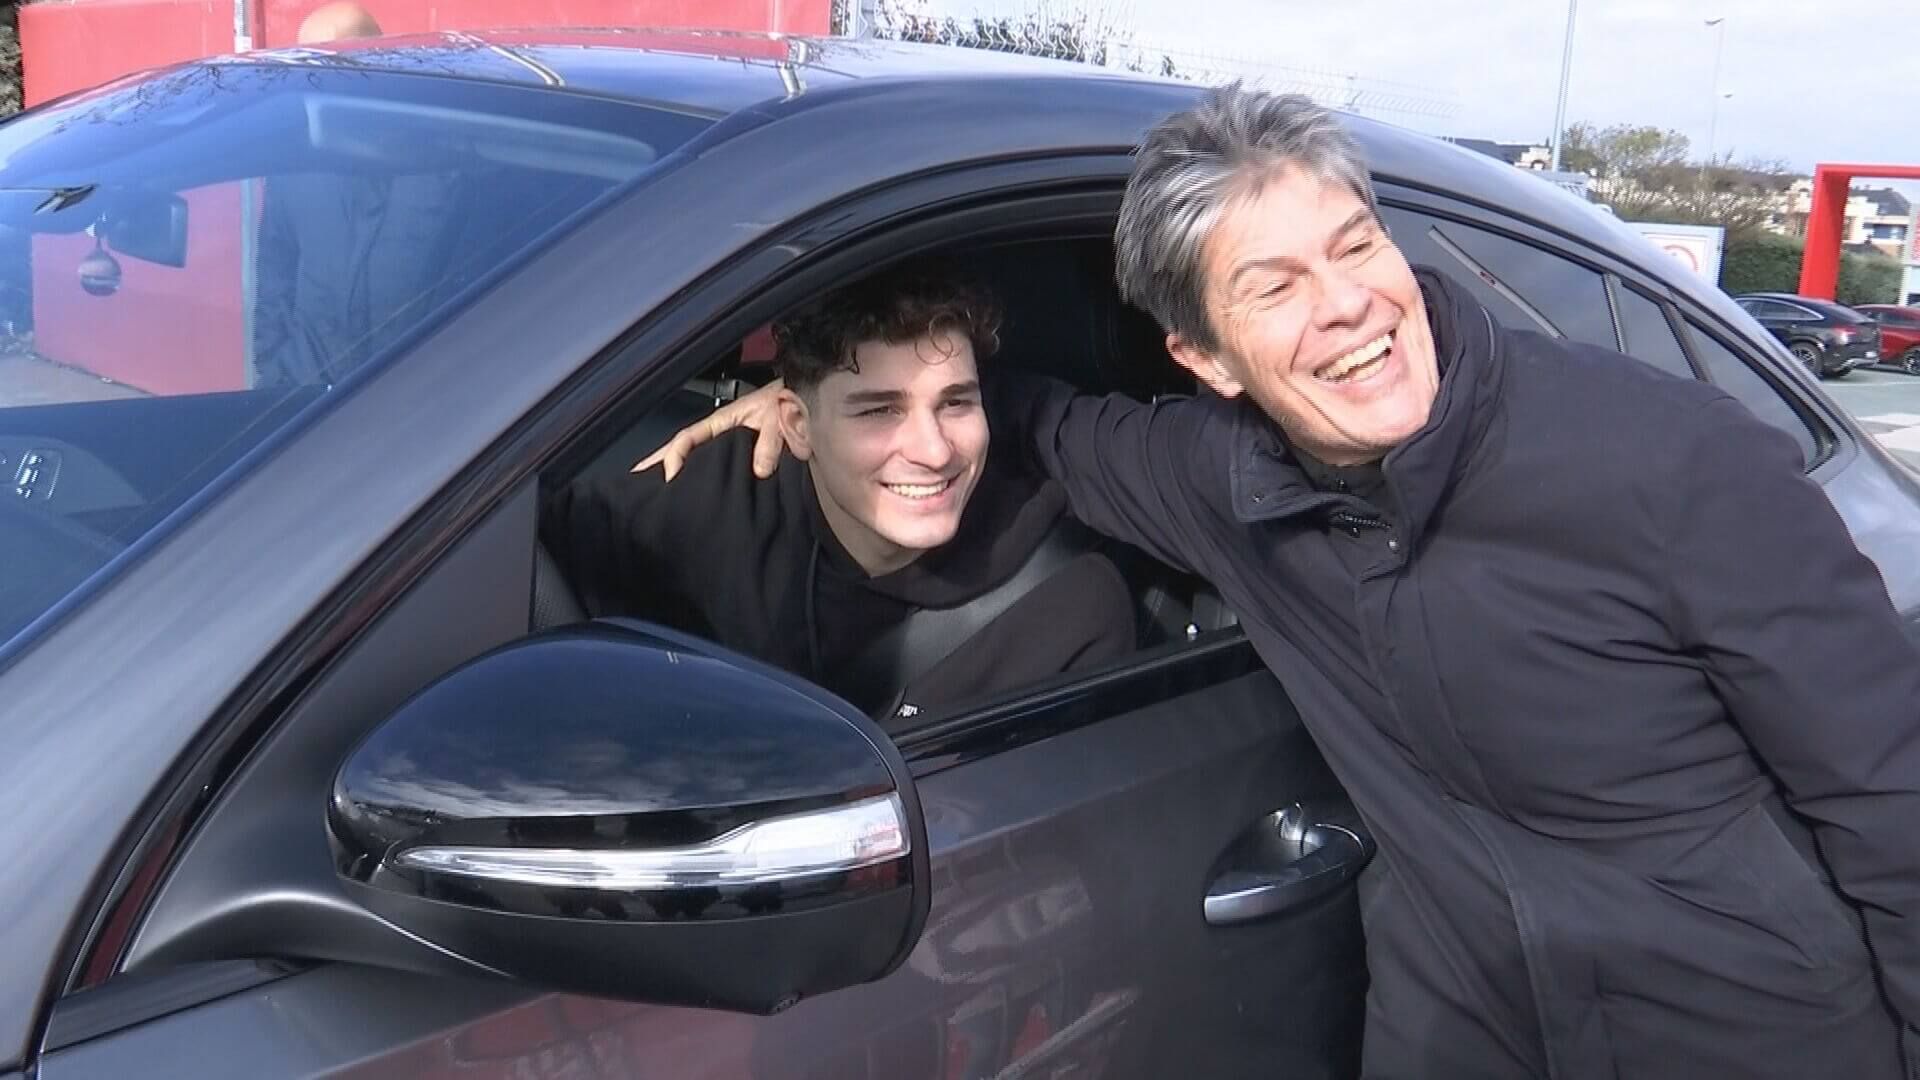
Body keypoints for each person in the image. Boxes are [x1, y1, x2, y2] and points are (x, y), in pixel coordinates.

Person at [643, 86, 1920, 1078]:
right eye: (1276, 286)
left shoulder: (1674, 463)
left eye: (1355, 247)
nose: (1355, 307)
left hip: (1744, 1034)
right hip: (1458, 1033)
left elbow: (1894, 806)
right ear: (1203, 357)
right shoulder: (1218, 479)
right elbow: (1020, 418)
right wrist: (804, 402)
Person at [543, 263, 1135, 725]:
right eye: (879, 411)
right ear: (797, 426)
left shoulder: (1064, 606)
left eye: (956, 402)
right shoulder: (726, 492)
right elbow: (512, 564)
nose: (933, 450)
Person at [250, 2, 479, 388]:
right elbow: (275, 274)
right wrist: (276, 373)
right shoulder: (295, 169)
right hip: (304, 405)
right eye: (307, 66)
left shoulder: (444, 164)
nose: (315, 79)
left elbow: (478, 281)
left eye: (334, 65)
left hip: (418, 406)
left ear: (379, 63)